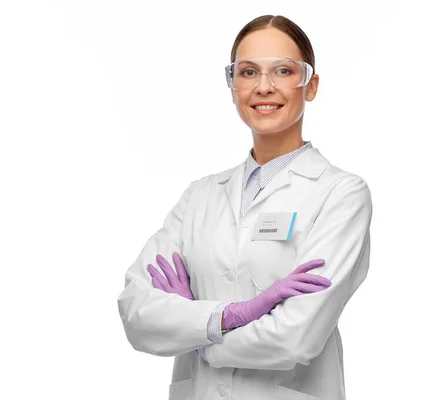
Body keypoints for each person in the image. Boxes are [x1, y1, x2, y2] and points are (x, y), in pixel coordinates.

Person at [117, 14, 373, 400]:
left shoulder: (340, 194)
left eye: (283, 70)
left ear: (311, 85)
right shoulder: (199, 197)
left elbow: (296, 337)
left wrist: (197, 332)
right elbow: (137, 312)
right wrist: (235, 314)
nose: (263, 87)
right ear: (233, 86)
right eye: (248, 72)